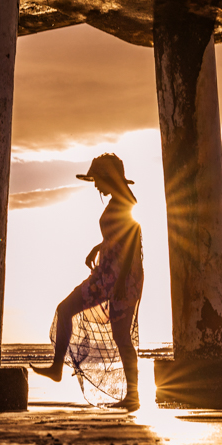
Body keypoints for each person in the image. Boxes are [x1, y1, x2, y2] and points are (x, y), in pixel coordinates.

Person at [32, 153, 144, 411]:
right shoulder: (120, 201)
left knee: (119, 335)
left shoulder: (124, 203)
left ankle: (133, 396)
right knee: (69, 311)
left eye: (97, 179)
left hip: (119, 278)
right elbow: (119, 236)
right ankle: (58, 367)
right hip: (109, 274)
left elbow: (130, 240)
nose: (95, 185)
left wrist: (120, 280)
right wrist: (99, 247)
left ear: (108, 178)